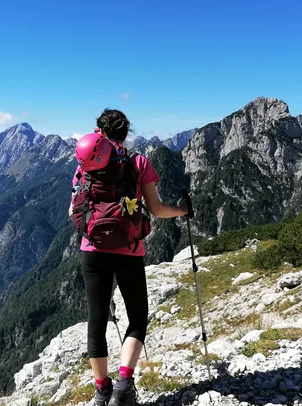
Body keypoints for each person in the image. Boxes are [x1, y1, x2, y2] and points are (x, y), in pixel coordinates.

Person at [70, 109, 188, 406]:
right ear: (126, 133)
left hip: (92, 250)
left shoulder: (85, 163)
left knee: (96, 321)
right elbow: (157, 210)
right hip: (129, 250)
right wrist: (183, 210)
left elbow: (73, 210)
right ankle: (123, 387)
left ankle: (101, 391)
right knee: (136, 317)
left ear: (99, 131)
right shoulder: (138, 163)